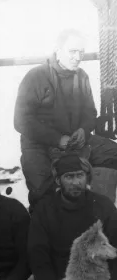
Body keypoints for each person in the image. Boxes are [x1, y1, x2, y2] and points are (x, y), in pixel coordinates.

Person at [14, 28, 117, 212]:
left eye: (81, 52)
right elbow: (21, 120)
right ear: (58, 50)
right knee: (43, 191)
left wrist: (83, 131)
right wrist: (56, 139)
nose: (78, 57)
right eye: (72, 51)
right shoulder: (36, 76)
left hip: (75, 142)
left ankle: (100, 213)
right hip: (39, 146)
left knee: (113, 154)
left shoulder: (82, 76)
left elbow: (89, 113)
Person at [28, 153, 117, 280]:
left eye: (80, 175)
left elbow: (115, 243)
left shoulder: (103, 205)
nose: (76, 182)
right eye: (69, 177)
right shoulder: (44, 210)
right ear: (58, 180)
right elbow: (37, 254)